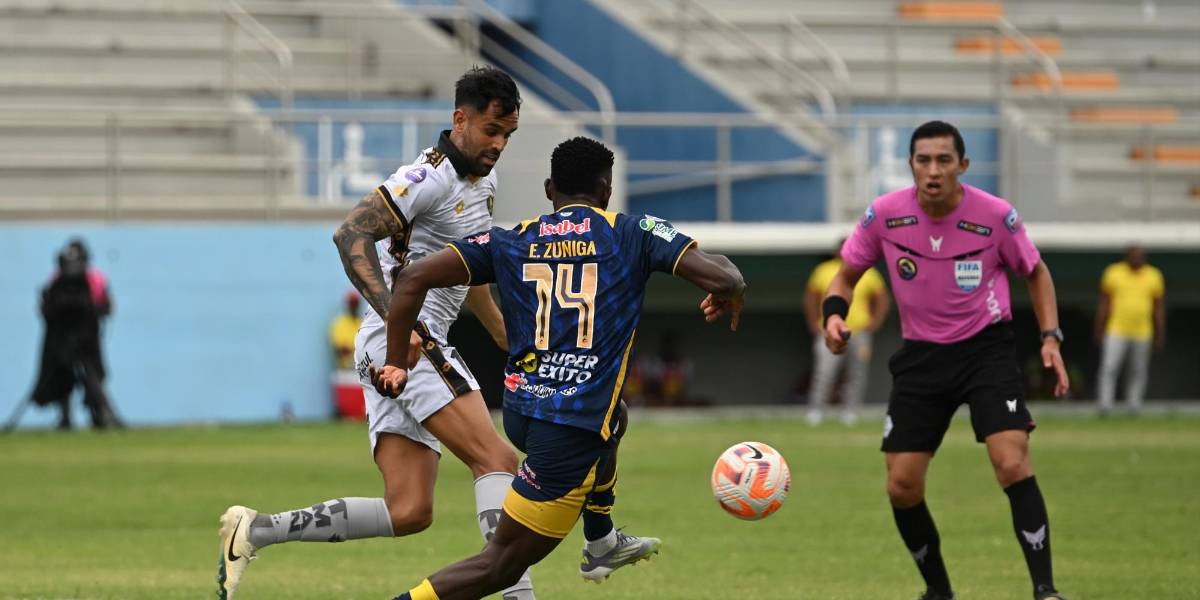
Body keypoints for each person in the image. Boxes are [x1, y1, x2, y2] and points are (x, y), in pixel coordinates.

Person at [372, 136, 746, 600]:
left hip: (523, 414)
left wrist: (394, 361)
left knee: (617, 415)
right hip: (570, 428)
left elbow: (411, 278)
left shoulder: (512, 239)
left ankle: (601, 540)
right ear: (606, 191)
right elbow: (724, 275)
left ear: (550, 189)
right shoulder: (634, 233)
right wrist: (729, 288)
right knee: (501, 567)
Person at [217, 66, 538, 600]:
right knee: (499, 460)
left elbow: (465, 265)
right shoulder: (424, 177)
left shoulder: (484, 180)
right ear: (460, 119)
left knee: (409, 510)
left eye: (509, 134)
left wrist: (500, 327)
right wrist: (399, 324)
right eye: (491, 131)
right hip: (406, 343)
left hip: (405, 346)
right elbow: (349, 235)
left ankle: (254, 530)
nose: (500, 144)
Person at [823, 121, 1070, 600]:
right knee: (902, 486)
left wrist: (1050, 337)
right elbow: (845, 276)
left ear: (963, 165)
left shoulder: (996, 216)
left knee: (1011, 462)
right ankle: (938, 591)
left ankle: (1045, 590)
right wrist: (833, 317)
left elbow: (1035, 273)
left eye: (943, 160)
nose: (933, 171)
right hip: (921, 358)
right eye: (923, 160)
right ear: (911, 164)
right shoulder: (885, 216)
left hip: (986, 351)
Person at [30, 238, 122, 430]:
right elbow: (106, 307)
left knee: (85, 376)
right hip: (79, 337)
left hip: (75, 338)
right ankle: (102, 415)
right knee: (74, 376)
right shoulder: (93, 279)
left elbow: (46, 309)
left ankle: (82, 417)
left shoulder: (61, 280)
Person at [804, 238, 889, 425]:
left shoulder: (867, 272)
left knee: (856, 373)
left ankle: (849, 411)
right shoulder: (824, 270)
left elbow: (881, 297)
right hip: (829, 329)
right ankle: (816, 411)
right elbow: (811, 297)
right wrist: (814, 323)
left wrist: (875, 321)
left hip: (858, 331)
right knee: (824, 372)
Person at [1094, 245, 1165, 415]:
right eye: (1133, 255)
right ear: (1126, 256)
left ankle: (1134, 406)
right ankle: (1105, 405)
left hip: (1143, 331)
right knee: (1109, 367)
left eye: (1140, 256)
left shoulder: (1154, 275)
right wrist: (1099, 327)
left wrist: (1159, 332)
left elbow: (1158, 307)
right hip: (1116, 329)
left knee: (1138, 370)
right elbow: (1105, 303)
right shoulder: (1114, 273)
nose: (1137, 259)